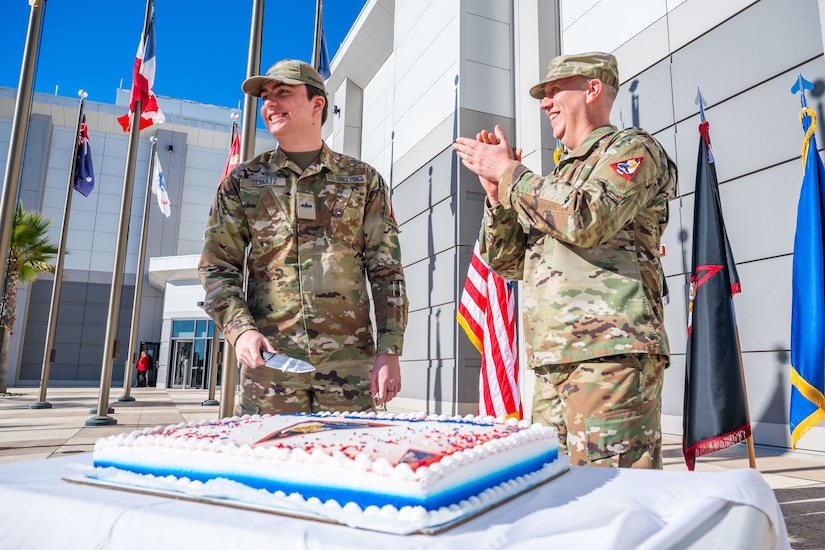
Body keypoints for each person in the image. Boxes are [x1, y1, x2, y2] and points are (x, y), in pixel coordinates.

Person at [453, 52, 677, 468]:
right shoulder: (553, 181)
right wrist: (497, 196)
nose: (545, 102)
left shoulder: (632, 149)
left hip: (609, 359)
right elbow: (507, 262)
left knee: (614, 499)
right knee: (557, 497)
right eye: (544, 94)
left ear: (593, 89)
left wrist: (511, 175)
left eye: (555, 90)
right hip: (552, 362)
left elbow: (587, 218)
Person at [199, 59, 408, 416]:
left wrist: (389, 349)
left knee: (348, 464)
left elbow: (387, 271)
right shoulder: (242, 182)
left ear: (317, 104)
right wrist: (241, 331)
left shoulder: (362, 181)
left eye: (282, 93)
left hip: (349, 369)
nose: (270, 104)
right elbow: (218, 269)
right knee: (268, 464)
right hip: (271, 364)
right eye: (265, 97)